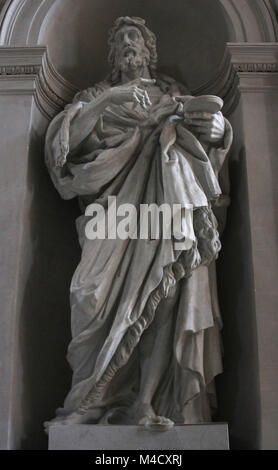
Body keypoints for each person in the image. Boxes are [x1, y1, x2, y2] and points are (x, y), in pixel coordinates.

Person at [45, 16, 233, 430]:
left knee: (165, 293)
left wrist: (220, 133)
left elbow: (205, 150)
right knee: (90, 296)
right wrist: (108, 102)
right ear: (113, 55)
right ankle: (90, 401)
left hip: (167, 207)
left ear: (149, 50)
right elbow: (63, 144)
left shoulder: (172, 93)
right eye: (121, 40)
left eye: (135, 37)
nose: (128, 44)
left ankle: (145, 402)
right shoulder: (96, 94)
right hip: (112, 217)